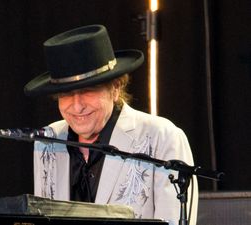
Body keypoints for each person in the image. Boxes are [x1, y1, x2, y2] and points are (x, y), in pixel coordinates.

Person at [24, 24, 198, 225]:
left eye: (88, 90)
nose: (77, 106)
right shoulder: (48, 139)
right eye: (66, 94)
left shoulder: (161, 137)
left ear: (115, 88)